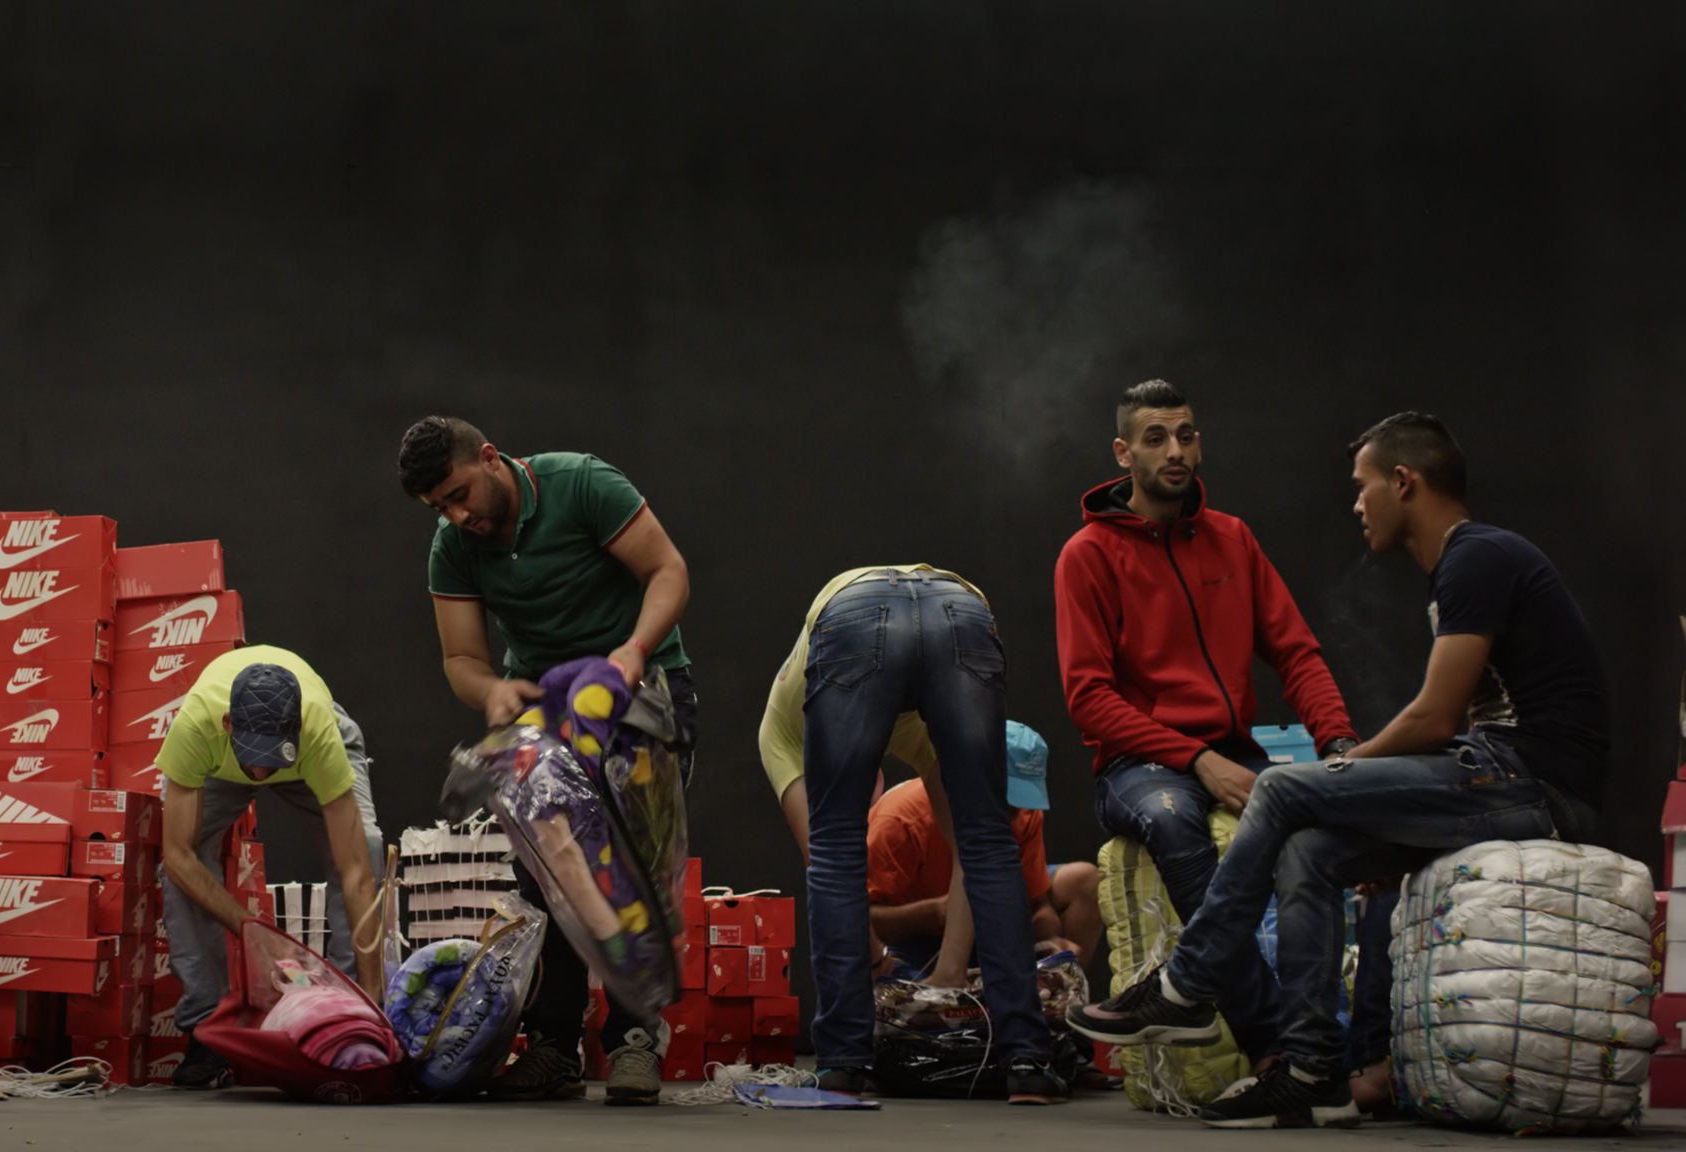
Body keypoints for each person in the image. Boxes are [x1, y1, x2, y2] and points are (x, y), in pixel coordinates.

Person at [1068, 412, 1607, 1130]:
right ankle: (1312, 1071)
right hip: (1497, 772)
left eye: (1363, 486)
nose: (1356, 504)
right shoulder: (1464, 563)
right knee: (1310, 852)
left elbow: (1434, 719)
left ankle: (1187, 986)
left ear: (1403, 482)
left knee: (1285, 788)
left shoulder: (1475, 557)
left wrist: (1344, 766)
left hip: (1532, 785)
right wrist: (1367, 802)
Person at [1054, 379, 1360, 1068]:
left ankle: (1327, 1039)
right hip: (1137, 768)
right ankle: (1275, 1049)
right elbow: (1089, 699)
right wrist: (1196, 760)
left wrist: (1340, 744)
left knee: (1313, 834)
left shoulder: (1233, 539)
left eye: (1186, 435)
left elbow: (1297, 653)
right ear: (1124, 452)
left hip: (1232, 751)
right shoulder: (1088, 554)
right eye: (1156, 437)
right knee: (1174, 822)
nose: (1175, 450)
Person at [398, 415, 695, 1106]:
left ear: (490, 458)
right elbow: (462, 657)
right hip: (546, 708)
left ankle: (635, 1040)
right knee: (548, 874)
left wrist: (632, 651)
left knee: (635, 862)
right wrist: (493, 691)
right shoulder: (454, 546)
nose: (457, 515)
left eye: (459, 494)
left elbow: (667, 571)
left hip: (639, 689)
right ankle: (555, 1045)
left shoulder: (582, 484)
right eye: (440, 507)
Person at [762, 564, 1069, 1102]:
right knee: (988, 843)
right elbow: (973, 855)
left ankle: (842, 1064)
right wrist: (900, 963)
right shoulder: (911, 733)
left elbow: (827, 862)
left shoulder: (779, 734)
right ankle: (1027, 1061)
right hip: (959, 607)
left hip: (852, 614)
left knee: (836, 851)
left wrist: (942, 972)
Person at [157, 645, 385, 1090]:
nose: (261, 772)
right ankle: (207, 1028)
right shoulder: (196, 727)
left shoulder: (318, 735)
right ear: (228, 724)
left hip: (308, 757)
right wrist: (254, 933)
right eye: (253, 754)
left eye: (272, 755)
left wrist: (374, 997)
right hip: (221, 763)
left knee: (368, 846)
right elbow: (178, 855)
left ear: (298, 730)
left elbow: (357, 872)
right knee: (182, 866)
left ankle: (354, 1011)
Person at [869, 770, 1104, 976]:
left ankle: (1055, 995)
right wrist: (938, 911)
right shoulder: (899, 820)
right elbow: (860, 920)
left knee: (1084, 880)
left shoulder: (1023, 811)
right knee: (904, 998)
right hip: (910, 939)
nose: (1014, 815)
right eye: (1008, 802)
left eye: (1022, 799)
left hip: (988, 930)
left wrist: (1049, 943)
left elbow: (1036, 901)